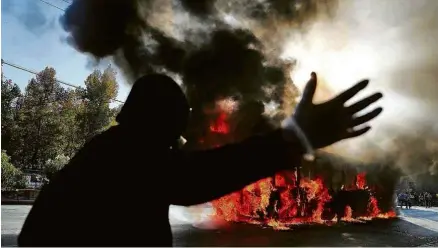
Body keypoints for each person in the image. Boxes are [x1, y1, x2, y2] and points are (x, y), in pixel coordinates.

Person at [18, 72, 383, 247]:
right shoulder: (126, 154)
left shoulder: (107, 150)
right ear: (159, 119)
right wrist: (293, 139)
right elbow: (197, 178)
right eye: (176, 122)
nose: (178, 138)